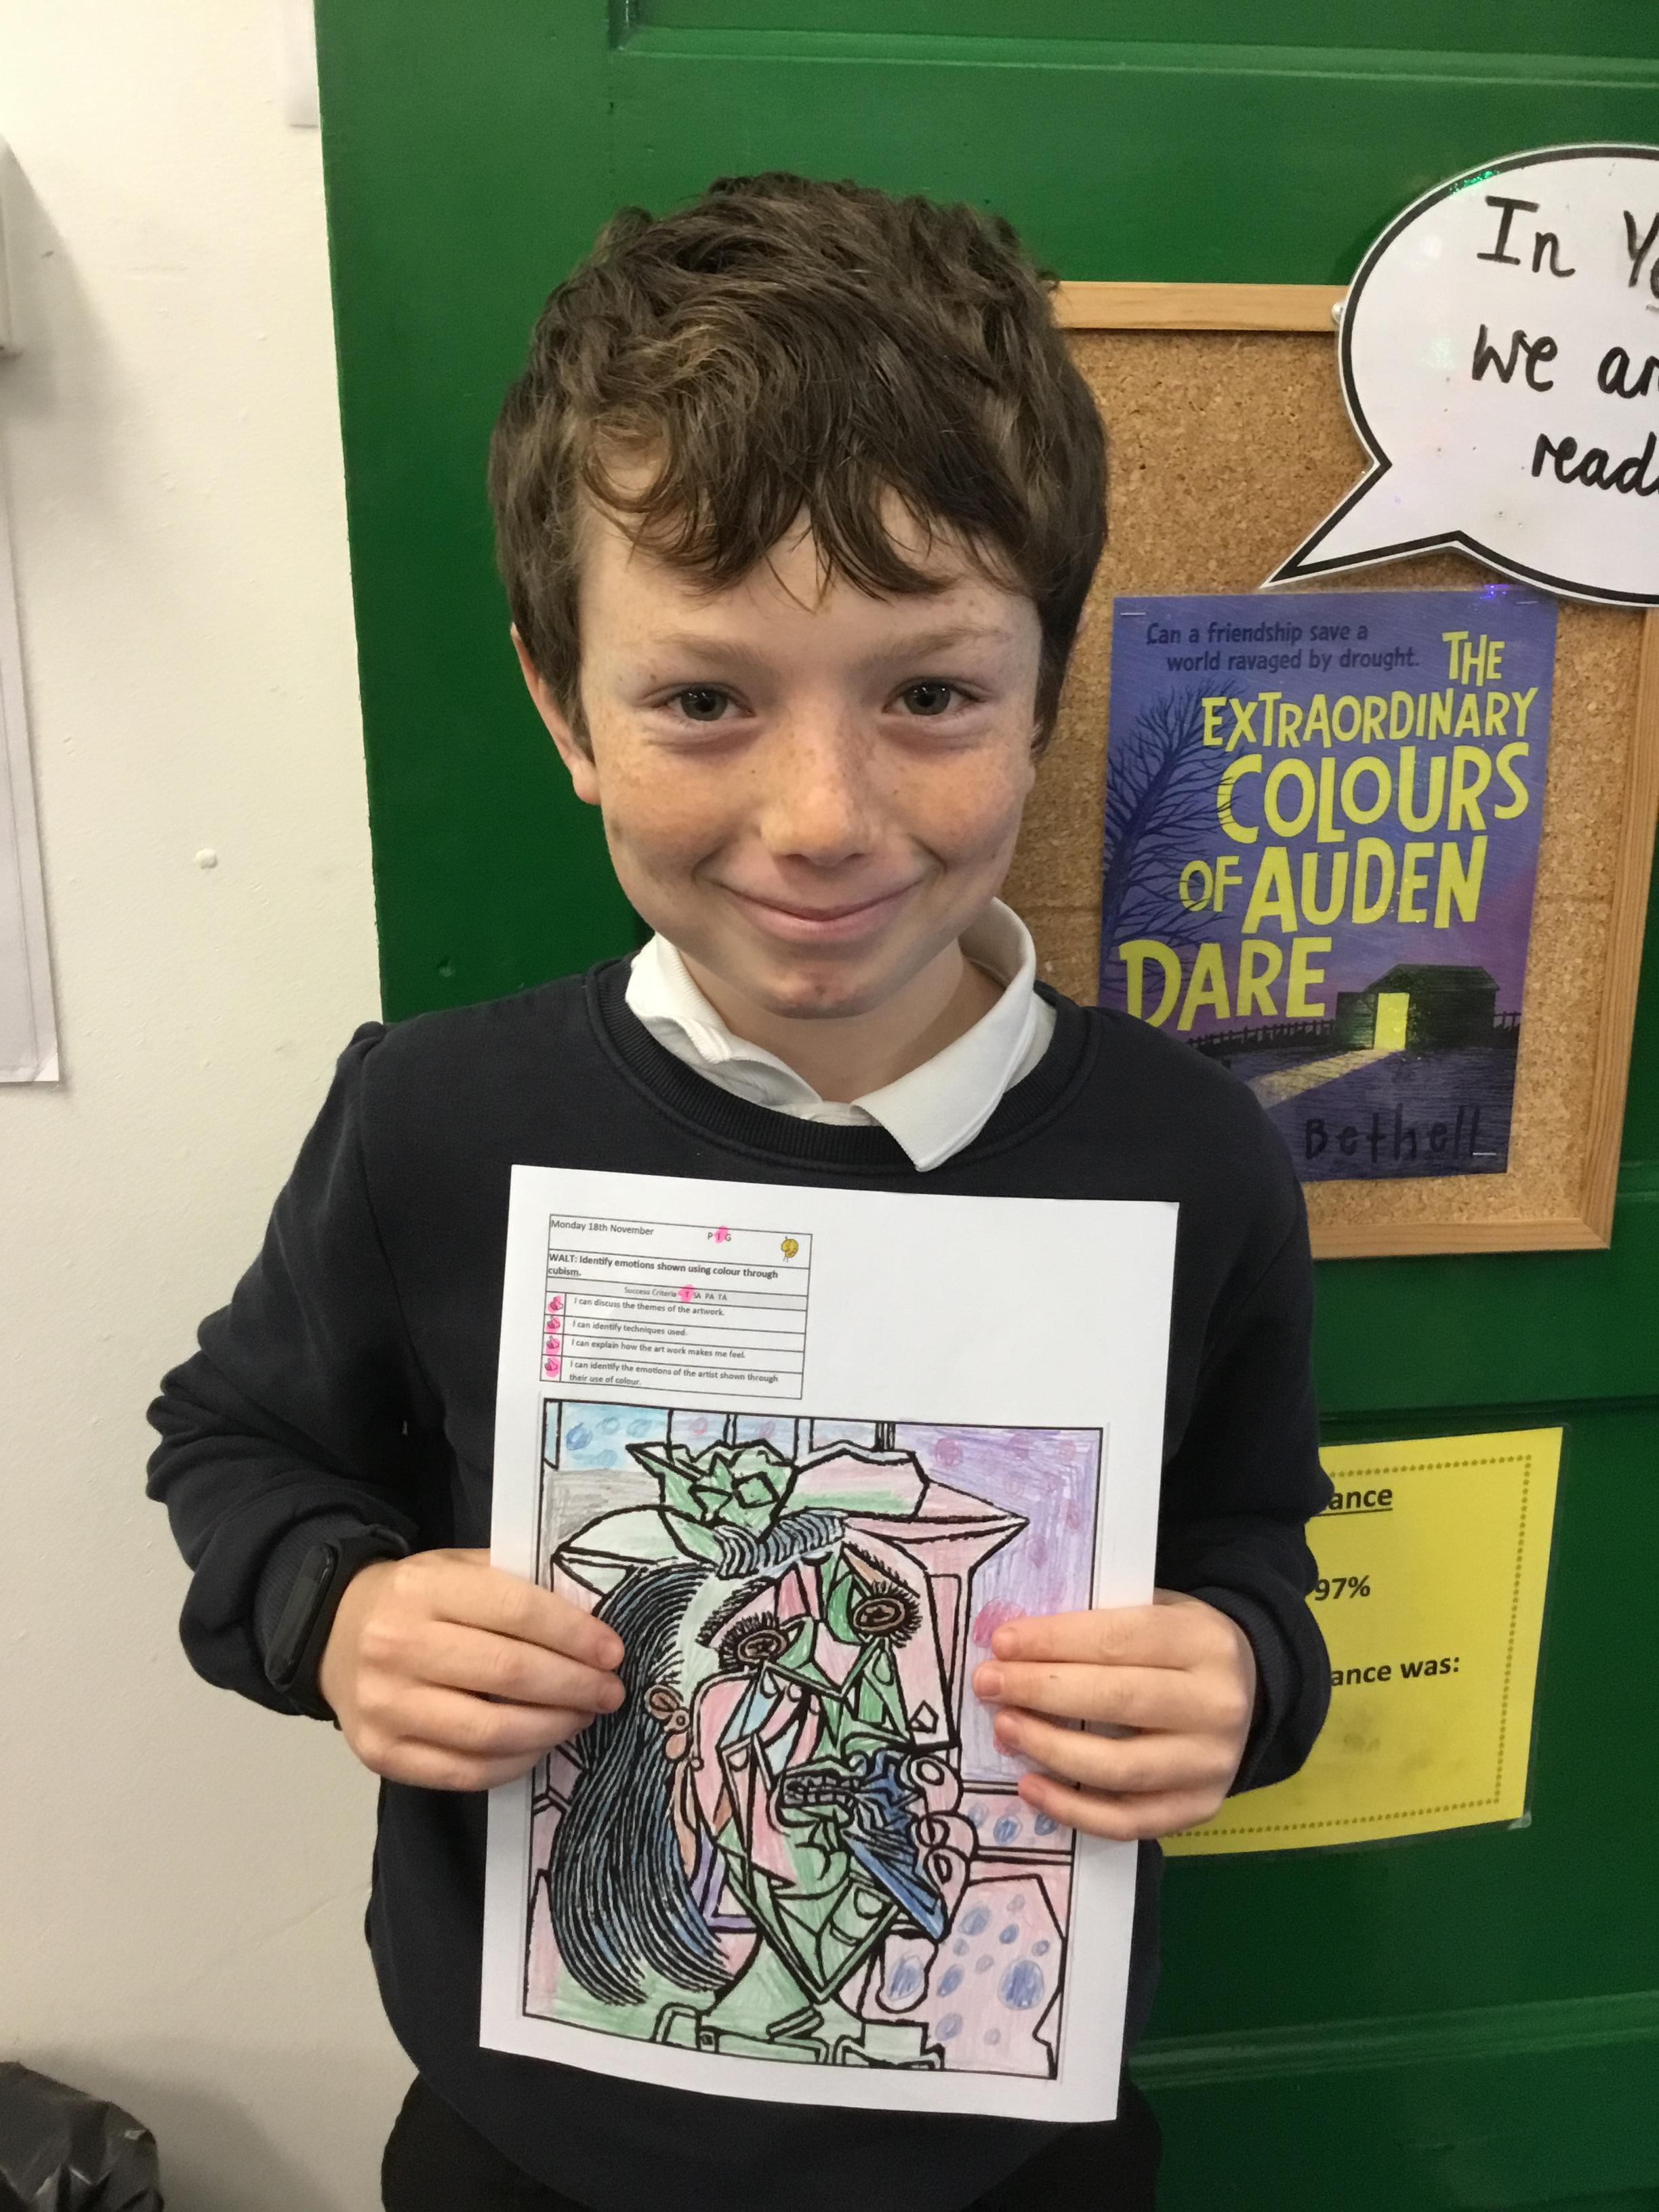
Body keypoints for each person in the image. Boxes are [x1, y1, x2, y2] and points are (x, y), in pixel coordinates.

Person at [147, 172, 1331, 2212]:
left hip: (1007, 2162)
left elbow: (1251, 1545)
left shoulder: (1195, 1158)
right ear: (562, 708)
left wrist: (1243, 1676)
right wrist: (337, 1612)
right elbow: (234, 1441)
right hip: (532, 2145)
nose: (820, 817)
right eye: (704, 699)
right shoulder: (431, 1120)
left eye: (930, 693)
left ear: (1047, 690)